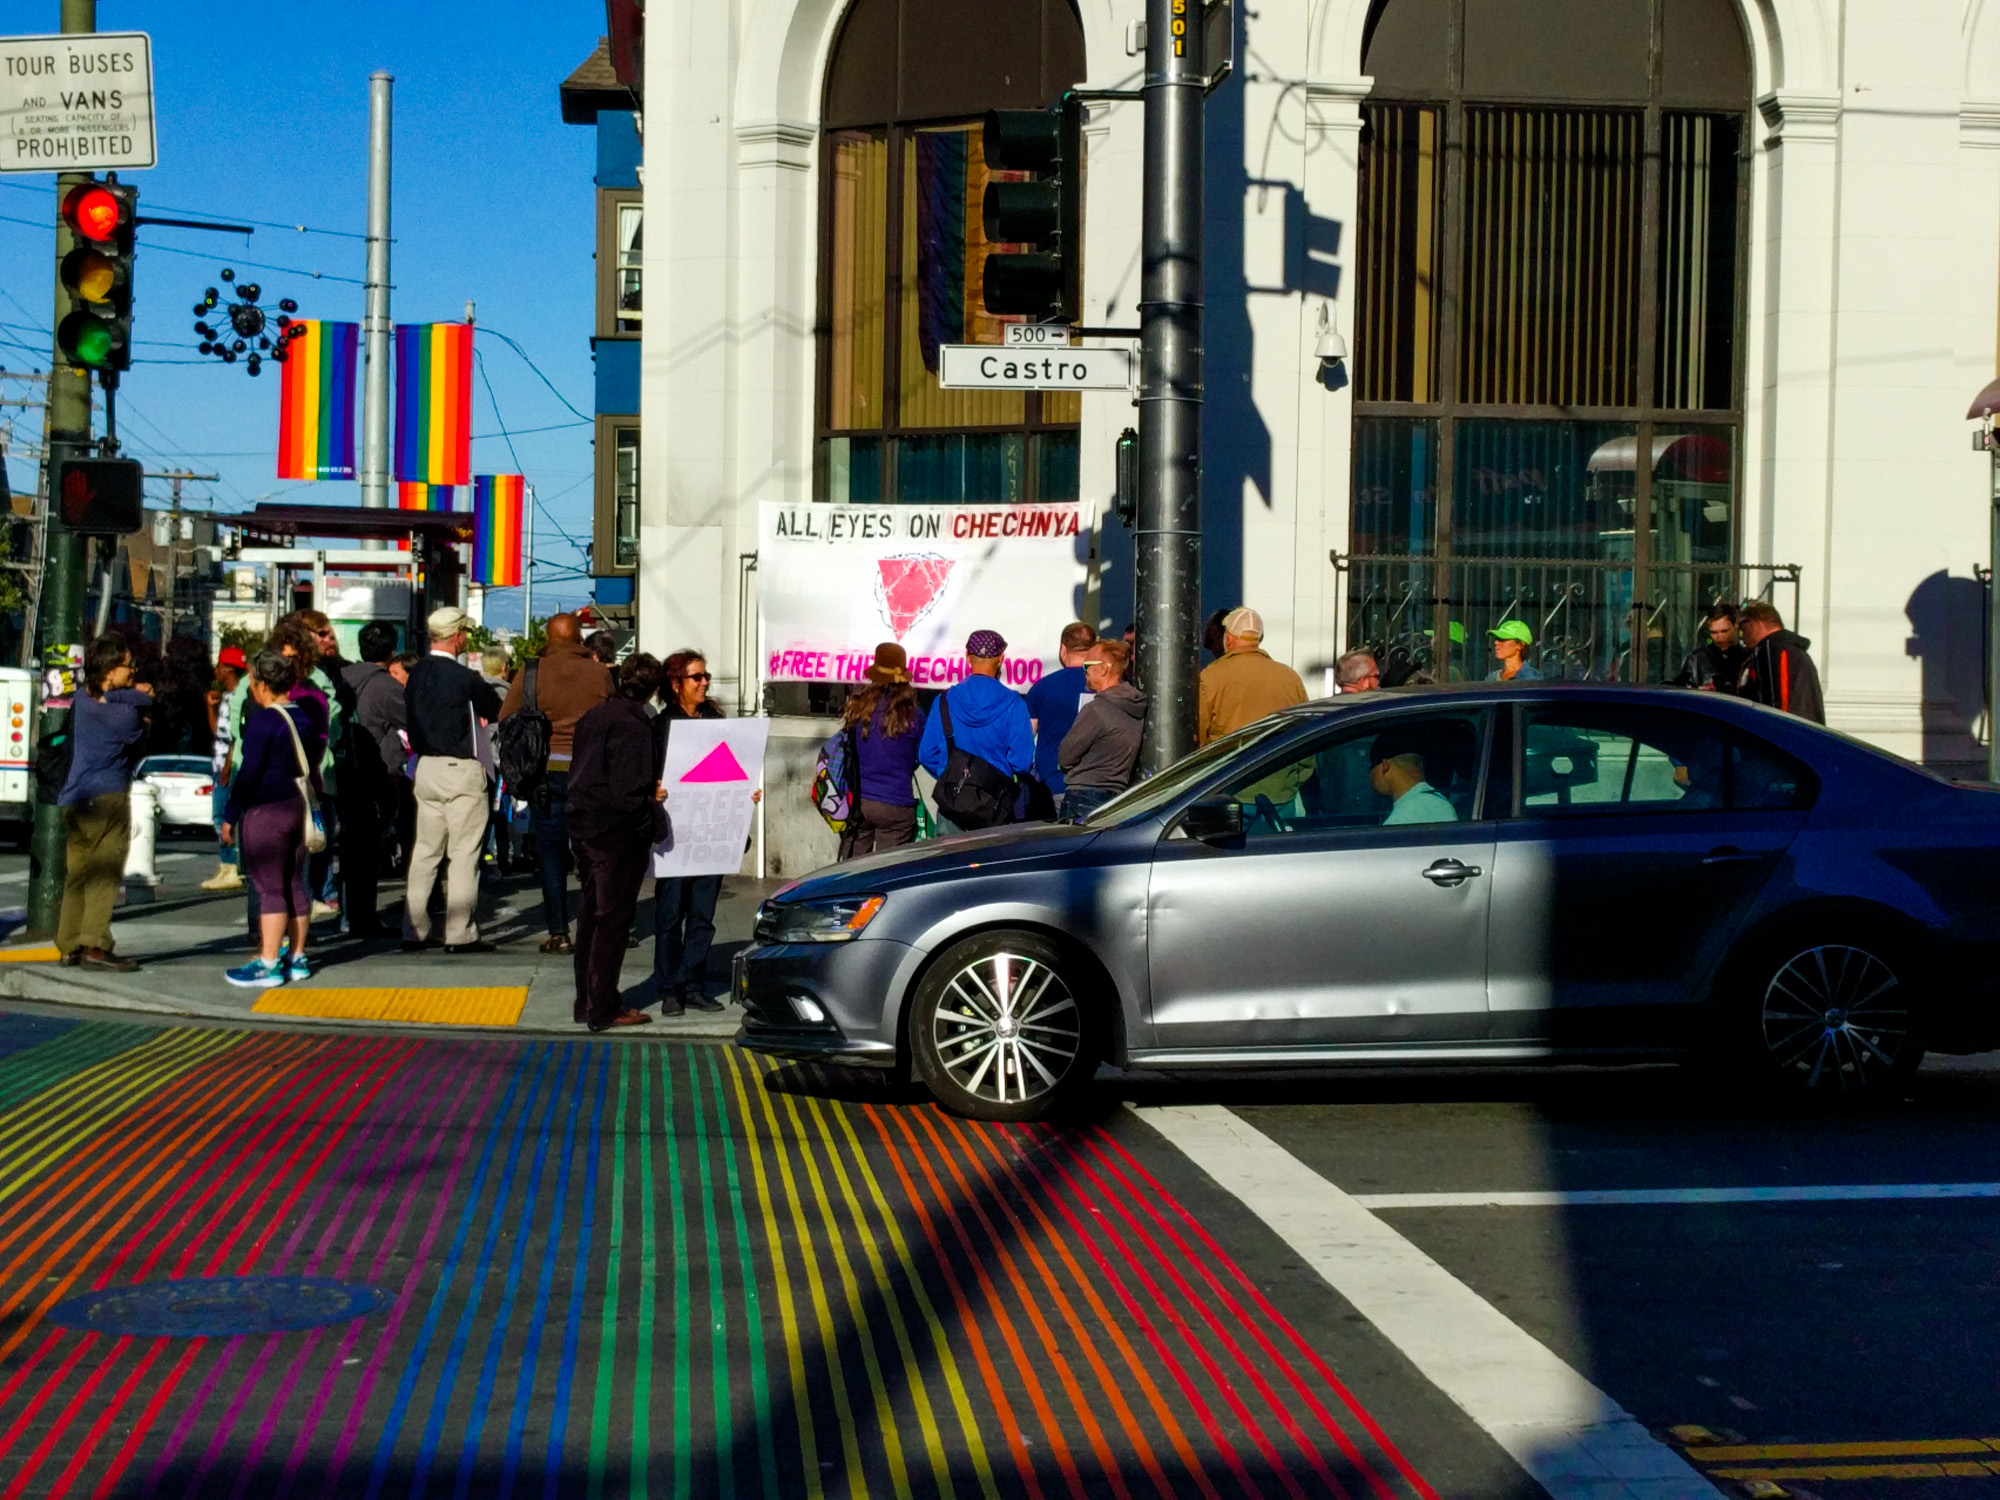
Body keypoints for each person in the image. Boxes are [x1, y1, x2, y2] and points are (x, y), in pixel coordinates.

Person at [652, 649, 761, 1012]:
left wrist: (746, 794)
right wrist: (654, 789)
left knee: (702, 917)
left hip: (711, 835)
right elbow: (647, 773)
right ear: (675, 683)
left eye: (705, 676)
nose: (704, 683)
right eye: (696, 677)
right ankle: (670, 988)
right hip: (673, 837)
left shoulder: (715, 720)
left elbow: (735, 770)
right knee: (669, 917)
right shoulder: (661, 725)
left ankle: (694, 985)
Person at [500, 611, 613, 954]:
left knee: (551, 854)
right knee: (596, 853)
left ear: (548, 639)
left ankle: (558, 931)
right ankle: (602, 925)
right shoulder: (598, 673)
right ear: (580, 637)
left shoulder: (531, 672)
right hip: (592, 774)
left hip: (546, 774)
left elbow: (507, 718)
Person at [566, 653, 665, 1031]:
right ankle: (602, 1006)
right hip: (615, 831)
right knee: (611, 921)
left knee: (593, 917)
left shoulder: (597, 715)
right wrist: (650, 824)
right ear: (653, 689)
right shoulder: (634, 726)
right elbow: (628, 792)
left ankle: (587, 999)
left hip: (585, 822)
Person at [220, 650, 327, 987]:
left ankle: (268, 962)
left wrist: (230, 815)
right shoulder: (304, 718)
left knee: (269, 887)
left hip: (266, 809)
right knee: (296, 882)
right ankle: (297, 957)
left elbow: (249, 772)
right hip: (297, 806)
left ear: (259, 683)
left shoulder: (263, 721)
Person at [402, 605, 504, 952]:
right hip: (460, 769)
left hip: (425, 767)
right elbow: (495, 708)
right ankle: (459, 932)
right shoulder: (465, 678)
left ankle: (414, 929)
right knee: (463, 854)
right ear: (458, 635)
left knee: (425, 852)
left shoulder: (416, 673)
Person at [55, 636, 152, 971]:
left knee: (77, 874)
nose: (133, 671)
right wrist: (140, 696)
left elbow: (120, 694)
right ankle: (96, 944)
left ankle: (69, 944)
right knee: (105, 874)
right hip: (107, 796)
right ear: (111, 670)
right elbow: (141, 716)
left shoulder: (81, 700)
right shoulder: (124, 716)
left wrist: (125, 692)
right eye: (128, 665)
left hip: (73, 797)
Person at [917, 629, 1035, 833]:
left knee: (950, 864)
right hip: (995, 807)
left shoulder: (944, 701)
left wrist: (955, 777)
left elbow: (926, 754)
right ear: (1001, 659)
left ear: (967, 657)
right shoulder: (1014, 704)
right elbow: (1022, 762)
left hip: (952, 804)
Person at [339, 622, 403, 937]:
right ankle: (363, 917)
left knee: (350, 850)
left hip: (341, 774)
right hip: (376, 775)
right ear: (392, 651)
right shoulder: (386, 686)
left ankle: (348, 912)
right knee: (367, 850)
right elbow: (413, 717)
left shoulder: (341, 677)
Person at [835, 643, 924, 860]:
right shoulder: (914, 714)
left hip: (857, 801)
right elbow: (920, 755)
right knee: (887, 874)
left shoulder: (857, 708)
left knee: (851, 872)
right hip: (895, 802)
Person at [1056, 639, 1146, 820]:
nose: (1085, 672)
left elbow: (1065, 756)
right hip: (1117, 798)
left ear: (1104, 669)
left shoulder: (1097, 709)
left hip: (1083, 797)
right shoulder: (1137, 706)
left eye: (1087, 666)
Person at [1197, 607, 1308, 745]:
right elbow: (1305, 732)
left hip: (1231, 765)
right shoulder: (1291, 678)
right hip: (1279, 764)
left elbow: (1198, 737)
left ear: (1229, 639)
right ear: (1259, 638)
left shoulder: (1210, 677)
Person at [1024, 622, 1096, 814]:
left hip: (1053, 784)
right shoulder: (1105, 686)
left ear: (1063, 648)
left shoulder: (1042, 687)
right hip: (1098, 787)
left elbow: (1027, 737)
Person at [200, 644, 251, 892]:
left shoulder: (237, 697)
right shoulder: (228, 697)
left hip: (227, 764)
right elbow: (217, 732)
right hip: (220, 760)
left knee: (222, 816)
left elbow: (234, 737)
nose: (216, 671)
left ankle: (231, 865)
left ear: (228, 669)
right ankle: (226, 863)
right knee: (221, 816)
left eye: (220, 666)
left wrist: (227, 767)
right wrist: (209, 706)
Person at [1737, 600, 1825, 723]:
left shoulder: (1770, 650)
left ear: (1756, 623)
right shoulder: (1796, 652)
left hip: (1785, 734)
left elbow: (1775, 702)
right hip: (1807, 733)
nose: (1741, 636)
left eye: (1742, 628)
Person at [1369, 731, 1458, 825]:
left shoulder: (1400, 821)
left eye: (1371, 766)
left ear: (1384, 766)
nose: (1369, 775)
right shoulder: (1442, 804)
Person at [1673, 603, 1747, 693]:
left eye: (1724, 631)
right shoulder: (1696, 659)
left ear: (1736, 625)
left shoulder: (1747, 657)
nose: (1719, 637)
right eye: (1714, 632)